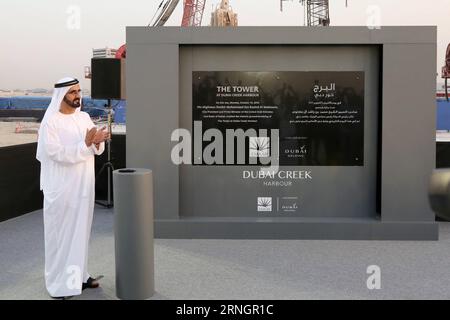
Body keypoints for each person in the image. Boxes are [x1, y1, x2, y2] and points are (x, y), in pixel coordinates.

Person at [36, 77, 110, 299]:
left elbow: (95, 148)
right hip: (61, 188)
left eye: (79, 91)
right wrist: (85, 144)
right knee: (61, 236)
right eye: (72, 92)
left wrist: (98, 141)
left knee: (80, 232)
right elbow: (55, 154)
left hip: (84, 187)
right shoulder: (51, 122)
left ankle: (79, 276)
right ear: (61, 95)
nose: (78, 95)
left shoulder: (85, 117)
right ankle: (59, 285)